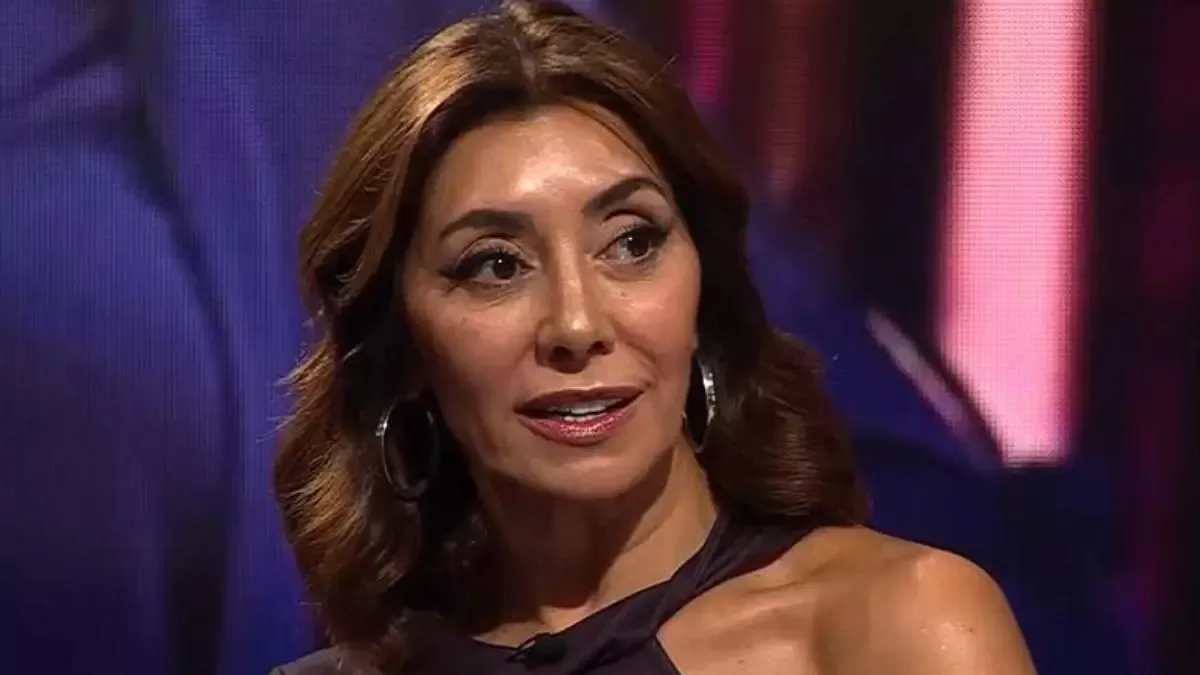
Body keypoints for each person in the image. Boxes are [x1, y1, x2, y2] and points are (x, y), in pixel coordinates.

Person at [270, 2, 1037, 673]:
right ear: (401, 344)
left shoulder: (899, 627)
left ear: (703, 289)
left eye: (632, 242)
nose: (577, 325)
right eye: (496, 265)